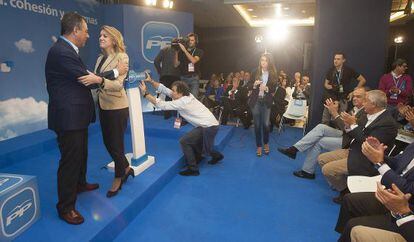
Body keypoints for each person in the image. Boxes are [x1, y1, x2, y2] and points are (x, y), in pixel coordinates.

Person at [45, 12, 98, 225]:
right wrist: (112, 74)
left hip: (76, 116)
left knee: (81, 153)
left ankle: (80, 183)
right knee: (70, 160)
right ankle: (66, 207)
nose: (88, 35)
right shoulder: (61, 51)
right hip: (69, 118)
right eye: (86, 31)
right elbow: (89, 81)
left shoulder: (67, 50)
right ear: (75, 30)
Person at [78, 25, 133, 198]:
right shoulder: (99, 59)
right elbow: (96, 83)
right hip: (103, 106)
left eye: (105, 36)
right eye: (100, 35)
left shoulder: (122, 57)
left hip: (118, 107)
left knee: (116, 145)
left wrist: (99, 79)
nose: (100, 38)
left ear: (114, 40)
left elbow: (117, 85)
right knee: (109, 143)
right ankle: (125, 167)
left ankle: (119, 177)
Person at [139, 79, 224, 176]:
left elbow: (162, 105)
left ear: (180, 93)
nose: (172, 92)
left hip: (208, 126)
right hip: (209, 124)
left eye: (174, 91)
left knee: (185, 141)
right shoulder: (186, 95)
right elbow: (164, 89)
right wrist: (150, 81)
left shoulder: (182, 102)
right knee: (201, 145)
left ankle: (193, 169)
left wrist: (145, 94)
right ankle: (216, 156)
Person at [335, 140, 414, 242]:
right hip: (396, 199)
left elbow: (408, 190)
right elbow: (397, 162)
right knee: (349, 200)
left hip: (408, 211)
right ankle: (345, 237)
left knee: (353, 225)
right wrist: (377, 155)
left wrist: (380, 163)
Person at [248, 53, 278, 156]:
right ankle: (259, 146)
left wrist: (267, 88)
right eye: (262, 60)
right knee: (257, 125)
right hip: (256, 100)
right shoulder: (254, 71)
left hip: (266, 101)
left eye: (265, 60)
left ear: (269, 62)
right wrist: (254, 85)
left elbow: (274, 88)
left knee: (266, 125)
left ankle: (266, 143)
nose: (263, 62)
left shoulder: (273, 73)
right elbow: (248, 85)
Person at [154, 41, 181, 119]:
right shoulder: (180, 51)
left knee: (168, 95)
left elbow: (156, 61)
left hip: (165, 75)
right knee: (178, 94)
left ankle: (167, 115)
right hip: (176, 75)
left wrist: (160, 71)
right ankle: (177, 115)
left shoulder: (164, 49)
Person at [178, 33, 203, 98]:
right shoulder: (181, 52)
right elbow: (175, 64)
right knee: (183, 99)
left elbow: (193, 61)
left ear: (196, 41)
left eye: (192, 40)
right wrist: (176, 50)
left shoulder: (199, 51)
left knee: (193, 99)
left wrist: (185, 50)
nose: (190, 42)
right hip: (183, 78)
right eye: (189, 40)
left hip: (194, 78)